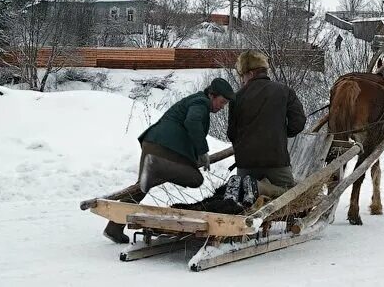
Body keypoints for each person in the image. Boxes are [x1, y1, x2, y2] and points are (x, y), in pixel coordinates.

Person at [103, 78, 235, 243]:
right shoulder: (200, 103)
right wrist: (203, 151)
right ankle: (156, 166)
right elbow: (192, 122)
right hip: (164, 149)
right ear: (211, 95)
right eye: (221, 102)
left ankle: (113, 228)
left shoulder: (195, 101)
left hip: (152, 143)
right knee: (195, 179)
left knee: (141, 187)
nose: (221, 107)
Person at [228, 50, 307, 195]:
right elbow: (299, 122)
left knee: (244, 196)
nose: (242, 80)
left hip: (245, 165)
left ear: (250, 74)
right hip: (276, 161)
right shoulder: (284, 91)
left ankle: (245, 187)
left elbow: (231, 134)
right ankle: (260, 188)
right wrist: (282, 132)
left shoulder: (236, 97)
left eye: (242, 76)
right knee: (290, 194)